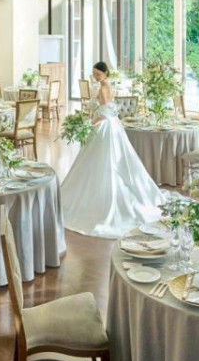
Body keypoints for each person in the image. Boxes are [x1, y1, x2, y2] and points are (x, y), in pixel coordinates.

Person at [62, 61, 164, 238]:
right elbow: (109, 109)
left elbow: (105, 112)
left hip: (105, 126)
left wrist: (90, 123)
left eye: (98, 74)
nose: (95, 76)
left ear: (105, 73)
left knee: (103, 160)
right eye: (94, 73)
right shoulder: (107, 85)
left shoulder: (104, 88)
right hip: (112, 125)